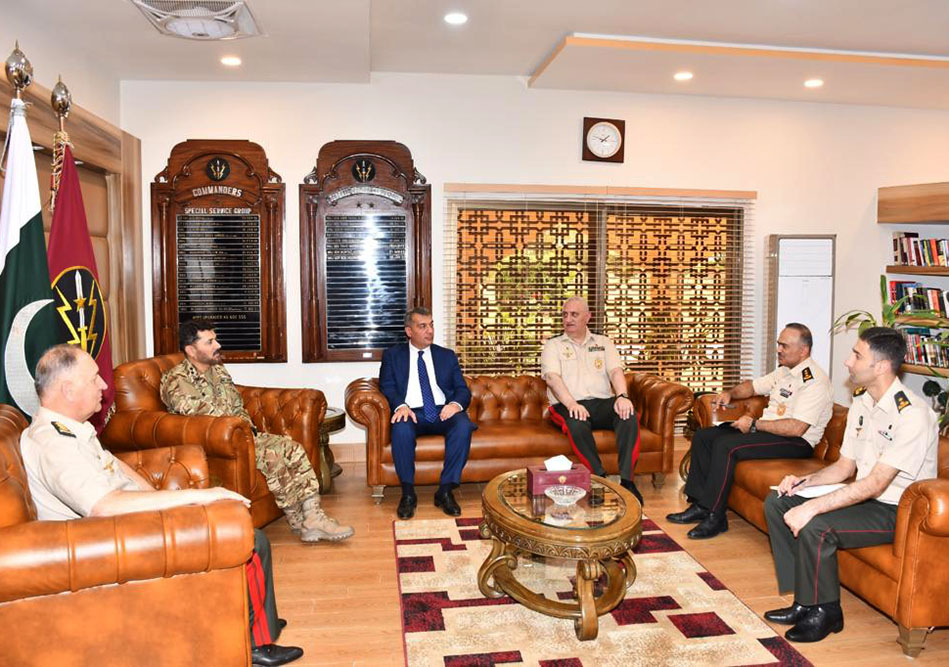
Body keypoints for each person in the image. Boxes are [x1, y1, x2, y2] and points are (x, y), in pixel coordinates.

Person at [20, 345, 303, 667]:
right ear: (68, 389)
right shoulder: (54, 444)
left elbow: (112, 464)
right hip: (106, 542)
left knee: (230, 521)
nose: (103, 385)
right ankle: (255, 642)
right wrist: (195, 497)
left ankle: (256, 615)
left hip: (124, 526)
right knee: (251, 540)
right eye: (94, 378)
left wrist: (158, 498)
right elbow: (104, 506)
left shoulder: (70, 428)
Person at [762, 327, 938, 643]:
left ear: (881, 366)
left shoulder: (913, 415)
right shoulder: (862, 403)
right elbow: (845, 467)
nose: (847, 362)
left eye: (857, 355)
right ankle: (803, 601)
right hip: (869, 498)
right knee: (778, 501)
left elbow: (877, 484)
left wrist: (813, 507)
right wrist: (802, 483)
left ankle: (826, 612)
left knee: (817, 526)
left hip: (897, 510)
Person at [160, 319, 353, 543]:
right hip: (216, 446)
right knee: (273, 457)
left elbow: (236, 405)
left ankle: (313, 516)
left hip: (242, 436)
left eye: (216, 339)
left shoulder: (218, 371)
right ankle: (300, 521)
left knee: (293, 448)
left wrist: (246, 429)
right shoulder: (176, 380)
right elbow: (198, 416)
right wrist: (239, 432)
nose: (218, 345)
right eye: (209, 342)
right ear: (191, 350)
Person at [667, 323, 833, 539]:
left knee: (726, 446)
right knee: (704, 436)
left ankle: (716, 516)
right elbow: (753, 386)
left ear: (804, 350)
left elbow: (797, 428)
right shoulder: (785, 371)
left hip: (797, 442)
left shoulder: (815, 381)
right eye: (779, 344)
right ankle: (700, 504)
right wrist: (730, 393)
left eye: (784, 346)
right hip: (770, 432)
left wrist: (754, 425)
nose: (779, 350)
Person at [541, 296, 643, 506]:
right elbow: (552, 378)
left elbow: (615, 371)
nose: (568, 319)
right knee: (577, 423)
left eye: (574, 314)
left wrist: (622, 396)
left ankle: (627, 481)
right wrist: (572, 404)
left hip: (601, 402)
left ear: (588, 317)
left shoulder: (603, 343)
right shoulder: (553, 345)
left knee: (628, 414)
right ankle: (598, 481)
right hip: (567, 404)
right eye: (565, 315)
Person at [379, 307, 474, 520]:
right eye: (422, 326)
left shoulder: (446, 356)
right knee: (401, 428)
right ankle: (408, 494)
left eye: (431, 325)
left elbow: (462, 389)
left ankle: (445, 491)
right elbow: (387, 386)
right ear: (409, 331)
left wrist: (455, 405)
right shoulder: (393, 356)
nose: (429, 331)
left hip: (442, 411)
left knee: (463, 425)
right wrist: (400, 405)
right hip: (411, 411)